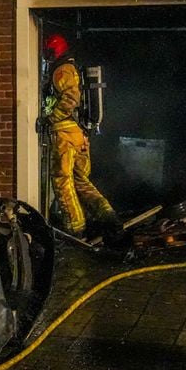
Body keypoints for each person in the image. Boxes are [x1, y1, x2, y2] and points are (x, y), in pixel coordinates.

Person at [41, 33, 121, 240]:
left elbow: (70, 98)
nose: (46, 56)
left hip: (66, 134)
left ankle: (75, 228)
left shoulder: (62, 70)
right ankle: (107, 217)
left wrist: (50, 118)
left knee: (62, 180)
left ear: (54, 51)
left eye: (48, 52)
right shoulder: (71, 68)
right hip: (79, 135)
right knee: (80, 180)